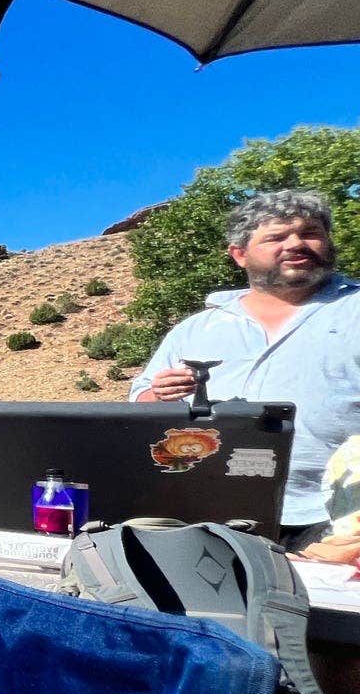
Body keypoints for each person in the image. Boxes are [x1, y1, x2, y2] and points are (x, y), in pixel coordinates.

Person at [131, 188, 360, 548]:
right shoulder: (197, 327)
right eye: (276, 237)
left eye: (311, 232)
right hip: (212, 512)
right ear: (240, 255)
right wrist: (158, 394)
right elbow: (140, 403)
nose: (296, 243)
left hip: (342, 520)